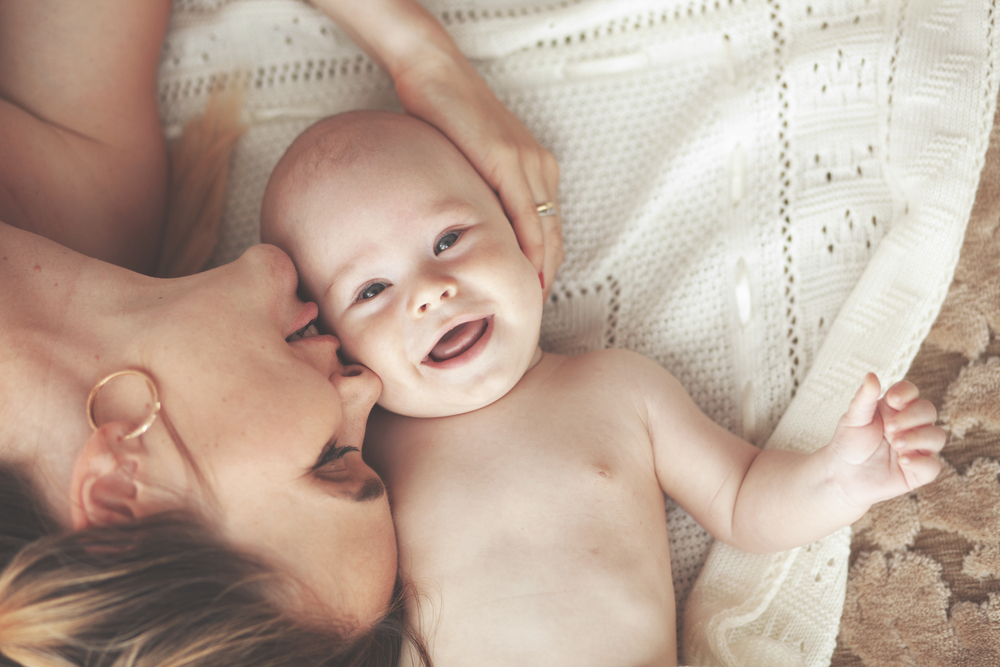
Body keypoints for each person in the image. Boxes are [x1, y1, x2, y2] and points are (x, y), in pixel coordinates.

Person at [260, 110, 947, 666]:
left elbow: (743, 499)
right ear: (335, 347)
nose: (430, 292)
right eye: (372, 289)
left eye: (448, 239)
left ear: (523, 236)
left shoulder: (618, 388)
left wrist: (839, 478)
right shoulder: (366, 458)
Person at [0, 0, 559, 663]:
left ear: (122, 492)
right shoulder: (87, 196)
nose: (367, 385)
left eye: (331, 458)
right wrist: (421, 56)